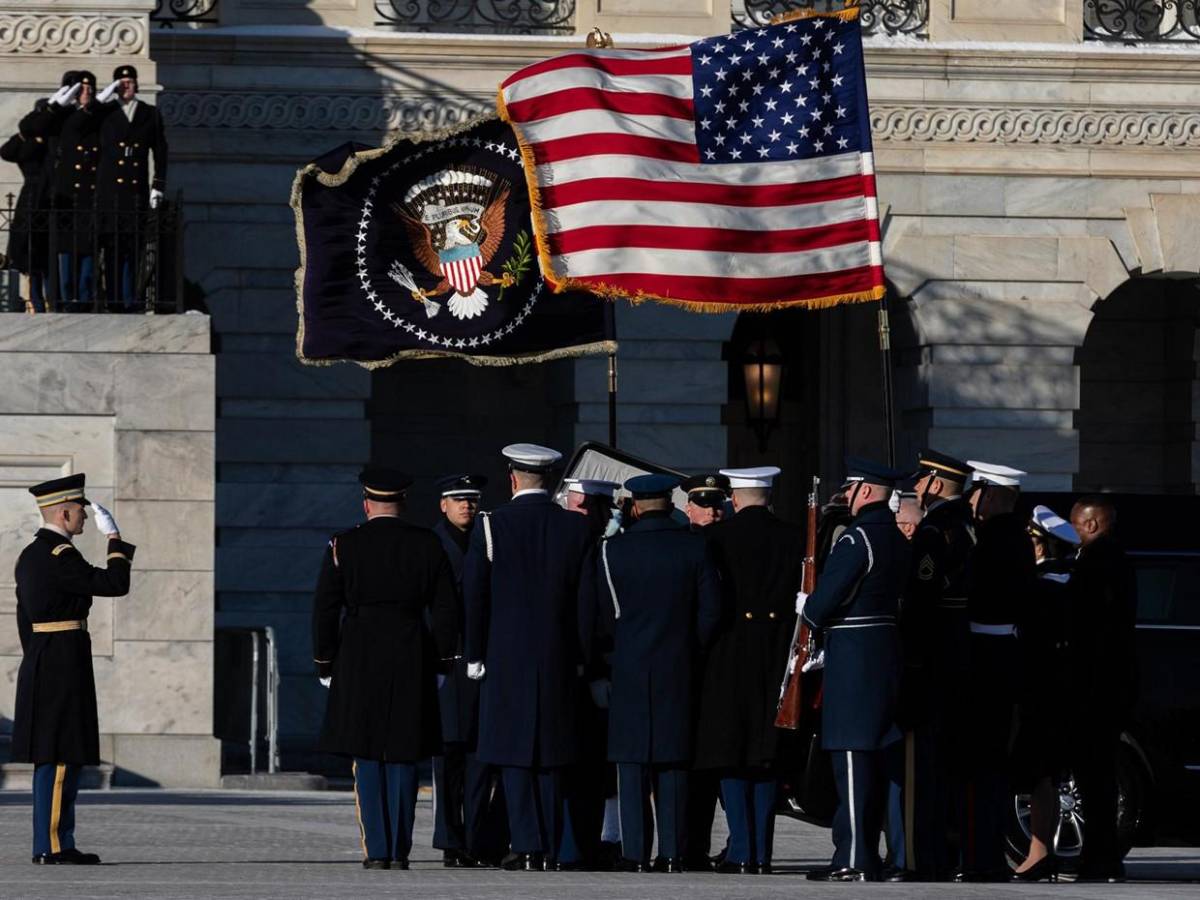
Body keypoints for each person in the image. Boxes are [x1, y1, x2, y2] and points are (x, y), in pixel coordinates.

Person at [311, 467, 457, 870]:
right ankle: (400, 849)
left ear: (366, 503)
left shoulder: (345, 544)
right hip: (412, 651)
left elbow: (325, 608)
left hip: (359, 655)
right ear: (403, 502)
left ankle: (377, 850)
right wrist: (443, 660)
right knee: (405, 753)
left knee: (368, 753)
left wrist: (325, 661)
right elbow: (445, 607)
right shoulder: (427, 544)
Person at [581, 474, 721, 872]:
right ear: (670, 504)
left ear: (636, 506)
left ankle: (636, 852)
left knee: (631, 762)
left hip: (628, 665)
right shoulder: (694, 547)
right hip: (678, 665)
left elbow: (606, 616)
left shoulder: (612, 551)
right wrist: (688, 647)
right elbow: (710, 611)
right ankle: (673, 852)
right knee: (673, 761)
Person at [463, 443, 594, 871]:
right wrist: (582, 655)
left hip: (506, 657)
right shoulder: (575, 529)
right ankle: (552, 846)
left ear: (513, 478)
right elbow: (585, 602)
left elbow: (476, 597)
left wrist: (475, 654)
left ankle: (527, 843)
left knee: (514, 753)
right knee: (552, 755)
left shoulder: (491, 526)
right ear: (551, 479)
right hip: (559, 657)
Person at [12, 474, 134, 864]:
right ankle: (54, 845)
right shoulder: (59, 555)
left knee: (56, 755)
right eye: (81, 510)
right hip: (62, 661)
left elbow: (22, 619)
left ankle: (52, 843)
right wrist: (115, 540)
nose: (86, 516)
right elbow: (114, 584)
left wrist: (39, 658)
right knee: (62, 753)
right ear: (64, 512)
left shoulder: (31, 554)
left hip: (47, 657)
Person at [802, 458, 910, 882]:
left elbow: (823, 603)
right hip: (886, 651)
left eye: (849, 489)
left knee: (850, 755)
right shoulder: (898, 539)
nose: (845, 496)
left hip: (855, 655)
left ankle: (853, 856)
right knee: (882, 757)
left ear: (864, 491)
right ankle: (887, 852)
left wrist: (808, 610)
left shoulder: (857, 539)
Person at [694, 466, 801, 875]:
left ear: (733, 498)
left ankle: (741, 849)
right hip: (776, 652)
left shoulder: (713, 537)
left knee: (731, 751)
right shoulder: (793, 537)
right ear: (768, 495)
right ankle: (762, 852)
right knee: (766, 754)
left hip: (728, 653)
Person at [960, 460, 1036, 881]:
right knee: (992, 764)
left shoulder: (989, 541)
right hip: (1007, 655)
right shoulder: (1019, 540)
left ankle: (980, 856)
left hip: (983, 657)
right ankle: (984, 854)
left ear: (989, 495)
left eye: (977, 491)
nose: (973, 499)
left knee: (980, 764)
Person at [901, 449, 975, 881]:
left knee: (924, 765)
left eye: (919, 481)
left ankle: (922, 856)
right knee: (953, 764)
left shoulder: (934, 529)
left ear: (933, 484)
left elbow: (921, 600)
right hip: (964, 658)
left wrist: (909, 657)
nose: (915, 488)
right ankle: (952, 850)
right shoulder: (968, 524)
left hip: (933, 661)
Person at [430, 473, 504, 867]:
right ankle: (449, 840)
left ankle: (476, 840)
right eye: (458, 500)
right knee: (447, 758)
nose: (466, 506)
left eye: (472, 500)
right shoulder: (433, 545)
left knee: (479, 757)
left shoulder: (488, 540)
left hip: (480, 662)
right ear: (443, 505)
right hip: (447, 662)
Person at [1067, 495, 1137, 883]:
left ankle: (1099, 858)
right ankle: (1104, 857)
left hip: (1095, 687)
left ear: (1091, 525)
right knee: (1101, 777)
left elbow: (1089, 630)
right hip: (1114, 685)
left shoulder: (1095, 562)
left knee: (1093, 779)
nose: (1075, 533)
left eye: (1077, 525)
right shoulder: (1119, 559)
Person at [1011, 505, 1080, 882]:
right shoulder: (1071, 579)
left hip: (1044, 690)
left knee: (1042, 775)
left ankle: (1040, 853)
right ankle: (1041, 853)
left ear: (1041, 545)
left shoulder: (1046, 584)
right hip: (1062, 688)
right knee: (1047, 775)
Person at [559, 476, 621, 871]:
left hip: (602, 671)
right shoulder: (566, 545)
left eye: (583, 508)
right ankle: (571, 845)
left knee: (603, 767)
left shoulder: (608, 550)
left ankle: (607, 840)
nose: (576, 515)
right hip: (565, 672)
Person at [677, 470, 731, 870]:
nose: (713, 512)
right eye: (705, 505)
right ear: (688, 507)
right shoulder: (685, 545)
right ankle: (690, 843)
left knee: (717, 762)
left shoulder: (728, 545)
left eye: (718, 505)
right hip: (691, 664)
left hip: (718, 665)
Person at [94, 65, 168, 311]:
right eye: (121, 82)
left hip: (135, 191)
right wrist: (101, 98)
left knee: (134, 249)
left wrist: (158, 184)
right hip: (109, 192)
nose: (127, 86)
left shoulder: (149, 113)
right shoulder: (104, 112)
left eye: (130, 82)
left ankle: (132, 299)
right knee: (112, 249)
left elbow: (160, 150)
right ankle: (114, 300)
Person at [0, 75, 70, 312]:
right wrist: (29, 134)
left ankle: (54, 301)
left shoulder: (55, 140)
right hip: (31, 198)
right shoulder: (29, 141)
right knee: (32, 256)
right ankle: (36, 302)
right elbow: (7, 152)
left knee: (51, 256)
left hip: (51, 196)